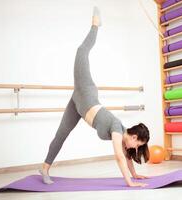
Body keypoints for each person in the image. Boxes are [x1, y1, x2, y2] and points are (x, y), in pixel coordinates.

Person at [39, 6, 150, 187]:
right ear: (134, 137)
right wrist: (129, 183)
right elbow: (119, 157)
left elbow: (126, 157)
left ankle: (44, 168)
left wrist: (135, 174)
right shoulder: (117, 128)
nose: (135, 149)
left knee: (61, 135)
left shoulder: (122, 137)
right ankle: (95, 25)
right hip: (86, 91)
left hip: (79, 105)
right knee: (81, 51)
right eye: (138, 145)